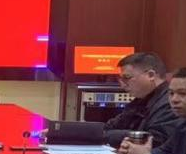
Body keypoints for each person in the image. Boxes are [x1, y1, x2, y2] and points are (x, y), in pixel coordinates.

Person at [48, 52, 177, 147]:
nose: (122, 84)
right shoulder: (140, 100)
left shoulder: (169, 102)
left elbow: (154, 139)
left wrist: (104, 136)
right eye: (120, 79)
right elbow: (110, 126)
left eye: (127, 78)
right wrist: (62, 131)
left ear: (151, 75)